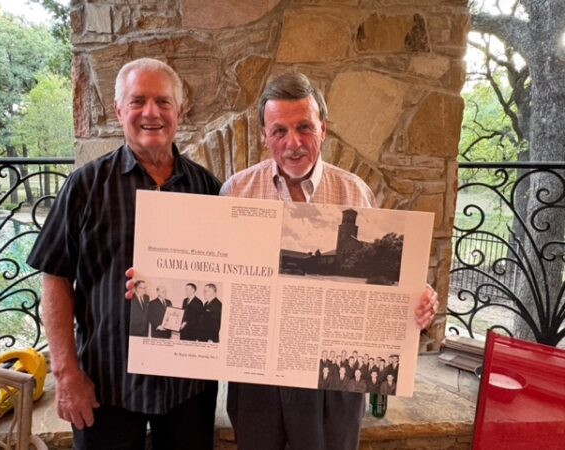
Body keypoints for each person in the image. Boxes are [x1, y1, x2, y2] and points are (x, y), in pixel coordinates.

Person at [221, 72, 439, 450]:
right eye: (279, 131)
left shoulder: (354, 191)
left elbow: (386, 283)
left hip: (333, 380)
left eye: (305, 127)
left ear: (324, 127)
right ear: (263, 135)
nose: (293, 143)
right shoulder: (236, 190)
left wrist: (415, 302)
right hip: (257, 375)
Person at [27, 58, 221, 450]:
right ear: (119, 112)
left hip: (189, 388)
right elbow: (55, 277)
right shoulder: (85, 186)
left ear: (180, 112)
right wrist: (66, 375)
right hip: (105, 384)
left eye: (163, 102)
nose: (151, 113)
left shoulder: (208, 189)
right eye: (138, 101)